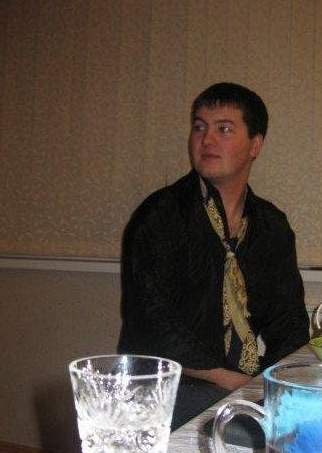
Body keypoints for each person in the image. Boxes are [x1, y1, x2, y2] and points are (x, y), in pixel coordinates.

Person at [118, 82, 310, 429]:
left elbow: (289, 324)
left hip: (236, 380)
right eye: (199, 127)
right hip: (162, 384)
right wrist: (235, 382)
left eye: (223, 129)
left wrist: (279, 382)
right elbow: (151, 326)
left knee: (317, 418)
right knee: (255, 433)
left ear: (255, 145)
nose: (206, 139)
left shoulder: (271, 226)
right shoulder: (160, 216)